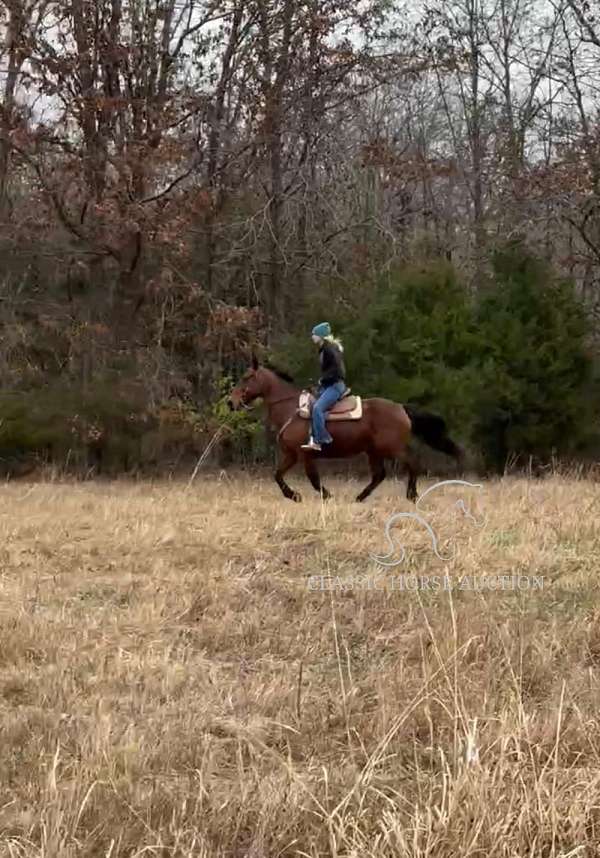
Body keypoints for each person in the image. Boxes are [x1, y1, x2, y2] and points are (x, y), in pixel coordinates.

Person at [301, 322, 347, 452]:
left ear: (321, 336)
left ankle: (322, 439)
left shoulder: (329, 349)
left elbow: (338, 371)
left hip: (335, 386)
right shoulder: (324, 349)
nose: (312, 337)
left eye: (314, 334)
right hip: (328, 385)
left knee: (317, 408)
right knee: (310, 405)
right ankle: (312, 438)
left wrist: (323, 379)